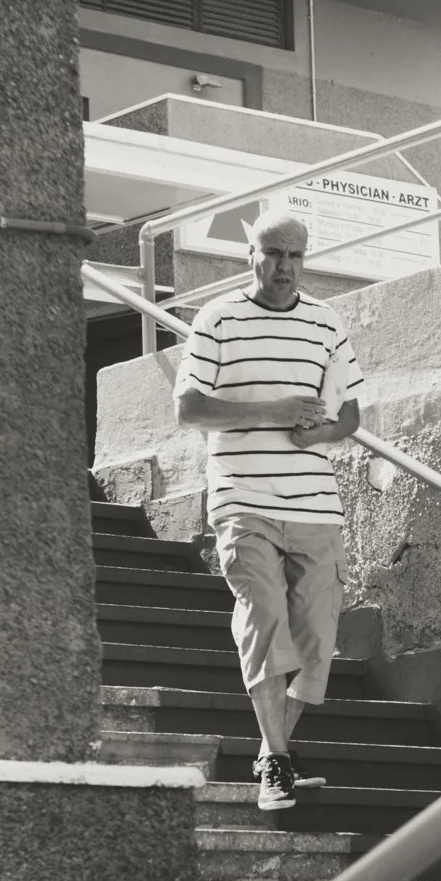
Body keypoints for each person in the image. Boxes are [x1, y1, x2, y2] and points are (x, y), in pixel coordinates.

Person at [174, 210, 367, 810]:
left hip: (316, 504)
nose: (286, 266)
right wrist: (275, 410)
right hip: (242, 498)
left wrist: (318, 435)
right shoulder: (218, 320)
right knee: (262, 619)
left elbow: (352, 415)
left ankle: (271, 751)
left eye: (296, 255)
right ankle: (279, 762)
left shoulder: (326, 322)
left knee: (315, 644)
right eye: (274, 253)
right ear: (250, 254)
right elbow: (188, 409)